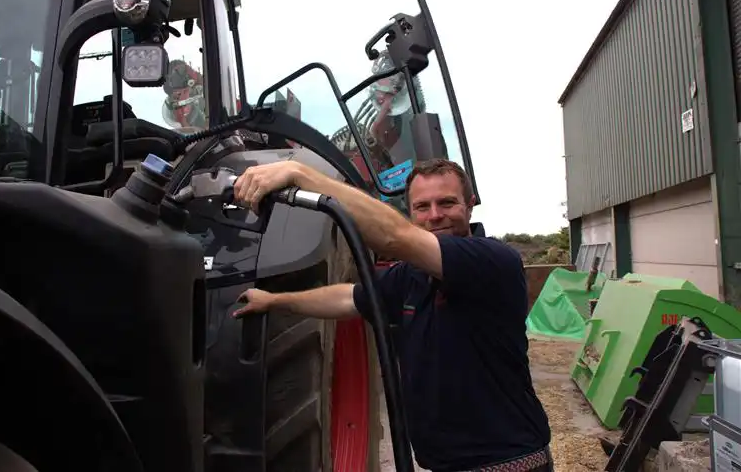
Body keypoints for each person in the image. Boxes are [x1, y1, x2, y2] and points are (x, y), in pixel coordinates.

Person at [231, 157, 553, 472]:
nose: (435, 215)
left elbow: (394, 237)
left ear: (470, 205)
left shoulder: (492, 261)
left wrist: (299, 173)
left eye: (447, 203)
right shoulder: (411, 277)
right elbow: (349, 298)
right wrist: (274, 300)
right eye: (422, 207)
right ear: (411, 212)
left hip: (510, 464)